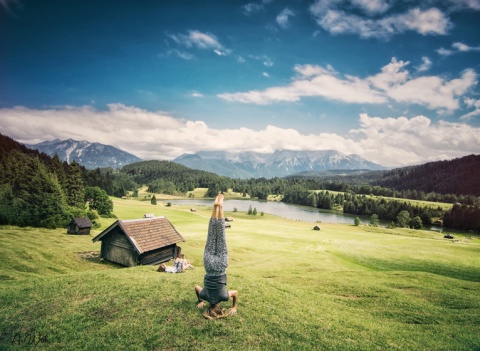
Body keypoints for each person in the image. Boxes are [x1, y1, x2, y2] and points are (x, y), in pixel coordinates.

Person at [194, 194, 238, 319]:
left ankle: (221, 207)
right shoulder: (205, 296)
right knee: (211, 236)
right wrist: (200, 301)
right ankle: (215, 207)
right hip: (208, 265)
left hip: (221, 266)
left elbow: (235, 293)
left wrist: (234, 306)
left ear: (218, 308)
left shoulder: (223, 297)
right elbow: (196, 288)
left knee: (221, 236)